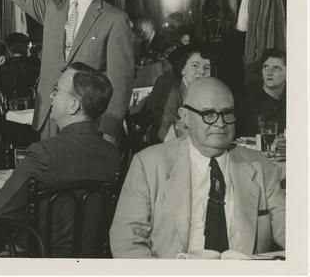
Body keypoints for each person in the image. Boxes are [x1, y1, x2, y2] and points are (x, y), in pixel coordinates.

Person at [110, 77, 285, 258]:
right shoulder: (149, 165)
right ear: (185, 116)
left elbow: (292, 231)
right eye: (208, 114)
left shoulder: (262, 167)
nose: (220, 123)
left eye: (227, 113)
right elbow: (126, 240)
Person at [4, 0, 135, 142]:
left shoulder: (114, 19)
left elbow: (120, 81)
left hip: (88, 121)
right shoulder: (52, 6)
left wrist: (109, 130)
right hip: (50, 114)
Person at [0, 63, 121, 257]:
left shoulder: (45, 152)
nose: (50, 96)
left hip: (40, 260)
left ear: (73, 105)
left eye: (56, 90)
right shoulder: (113, 154)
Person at [155, 45, 214, 142]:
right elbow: (163, 132)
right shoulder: (174, 93)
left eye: (207, 68)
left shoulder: (209, 93)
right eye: (195, 66)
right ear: (182, 69)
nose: (202, 72)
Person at [236, 48, 286, 136]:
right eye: (266, 67)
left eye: (276, 68)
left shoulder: (294, 99)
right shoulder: (247, 100)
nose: (269, 72)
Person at [0, 32, 40, 102]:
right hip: (33, 107)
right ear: (26, 48)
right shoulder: (36, 64)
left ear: (9, 50)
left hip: (11, 110)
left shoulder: (4, 68)